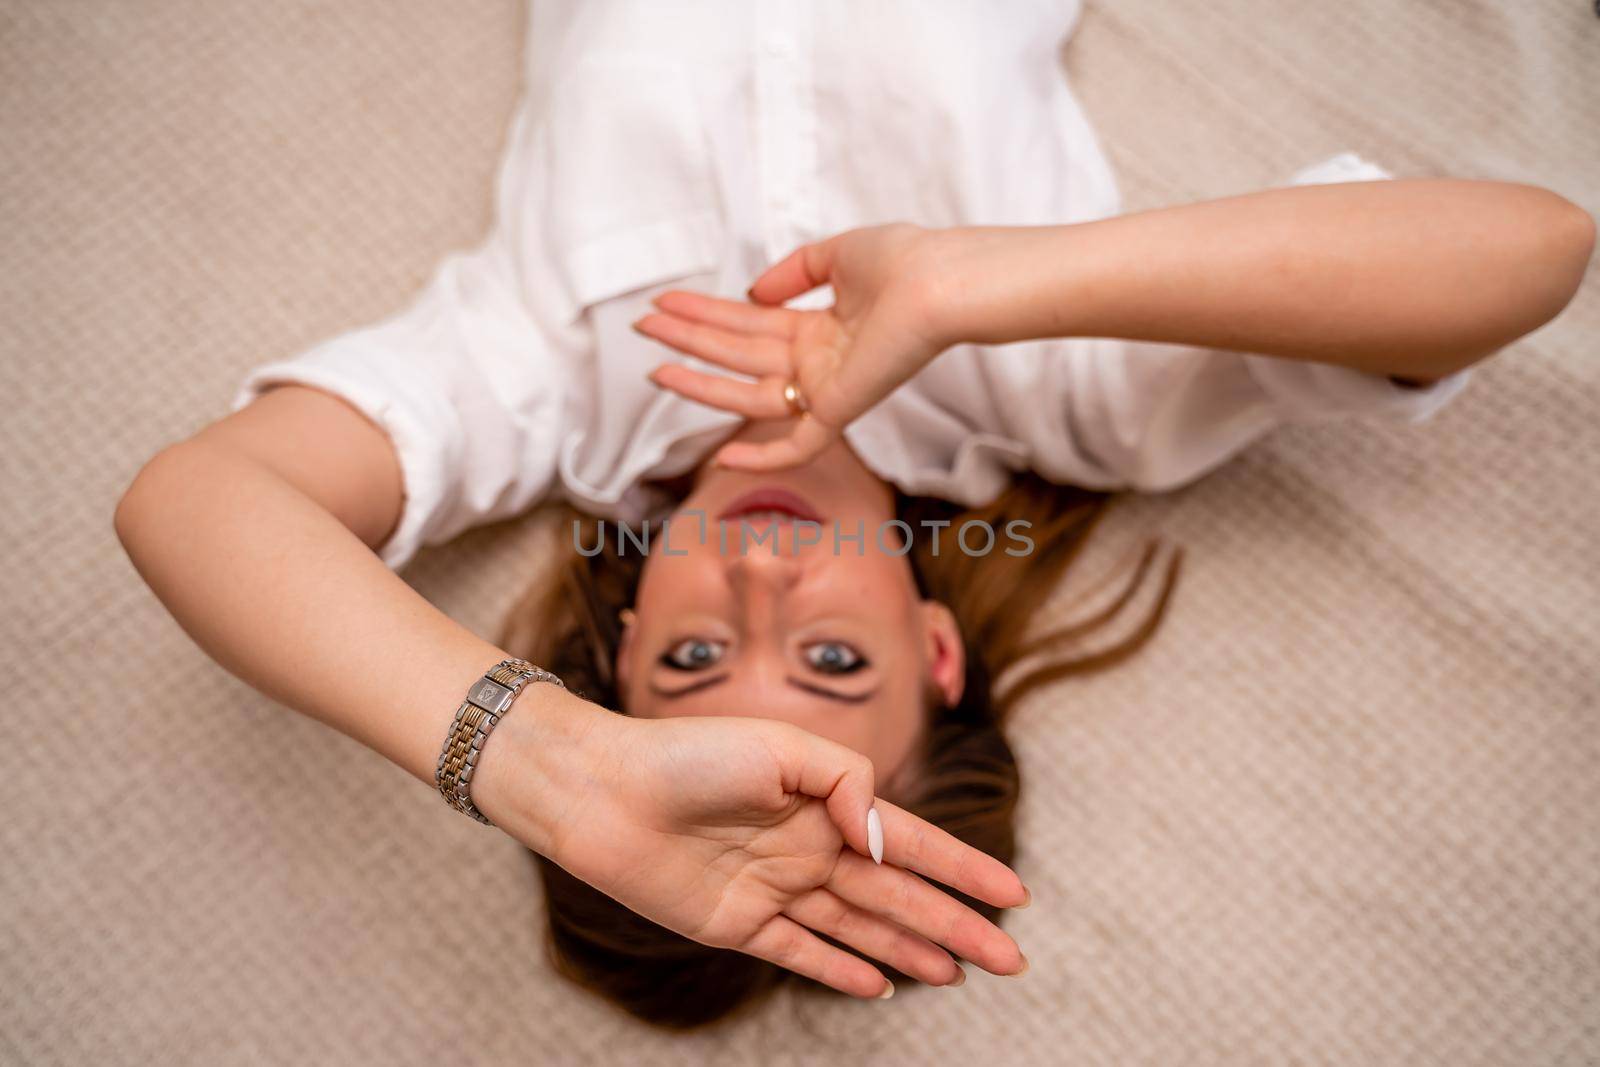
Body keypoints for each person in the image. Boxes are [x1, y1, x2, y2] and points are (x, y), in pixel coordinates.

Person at [113, 0, 1593, 1031]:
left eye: (692, 665)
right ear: (937, 649)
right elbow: (1528, 248)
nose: (760, 593)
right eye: (834, 667)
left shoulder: (539, 383)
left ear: (621, 651)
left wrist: (547, 770)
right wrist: (972, 287)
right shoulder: (1064, 401)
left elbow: (196, 501)